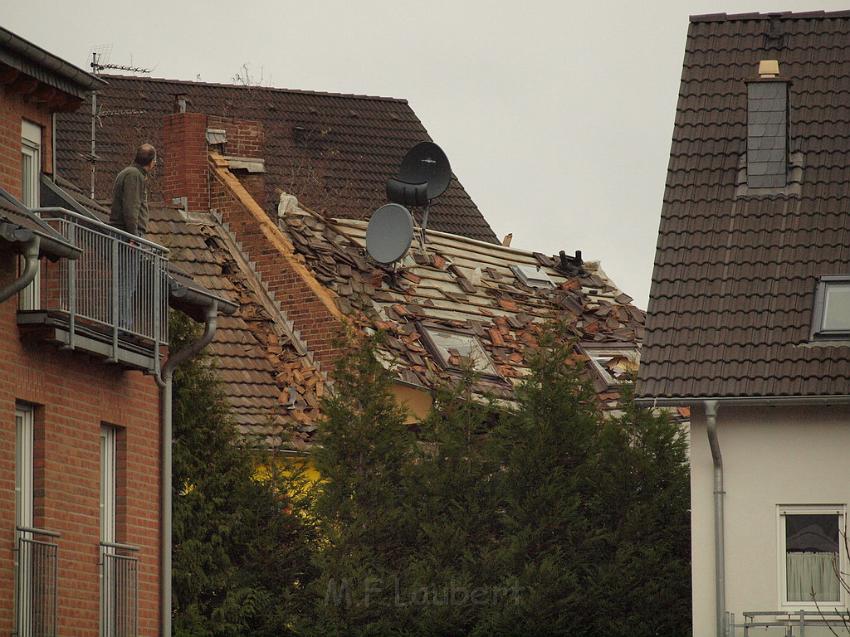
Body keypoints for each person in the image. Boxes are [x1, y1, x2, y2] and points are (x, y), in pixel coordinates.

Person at [110, 144, 156, 331]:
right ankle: (123, 325)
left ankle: (122, 323)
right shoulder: (134, 176)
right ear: (152, 162)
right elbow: (131, 208)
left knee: (125, 281)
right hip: (127, 235)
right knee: (126, 282)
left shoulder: (128, 173)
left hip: (124, 234)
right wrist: (134, 236)